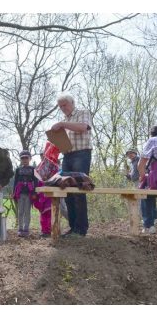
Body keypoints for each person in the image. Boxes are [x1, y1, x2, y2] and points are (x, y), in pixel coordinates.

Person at [51, 92, 92, 237]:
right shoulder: (64, 120)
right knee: (67, 191)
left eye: (65, 105)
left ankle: (81, 229)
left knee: (79, 190)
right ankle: (73, 227)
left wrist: (62, 124)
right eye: (60, 106)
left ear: (72, 103)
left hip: (81, 154)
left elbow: (83, 127)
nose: (63, 108)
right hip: (67, 156)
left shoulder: (83, 112)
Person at [13, 150, 38, 237]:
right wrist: (14, 193)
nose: (24, 160)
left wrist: (35, 192)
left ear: (30, 158)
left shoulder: (33, 169)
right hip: (20, 194)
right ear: (20, 159)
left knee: (27, 211)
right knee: (20, 212)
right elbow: (15, 182)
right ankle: (20, 228)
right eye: (22, 158)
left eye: (26, 158)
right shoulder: (18, 170)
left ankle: (26, 229)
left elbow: (36, 181)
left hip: (29, 194)